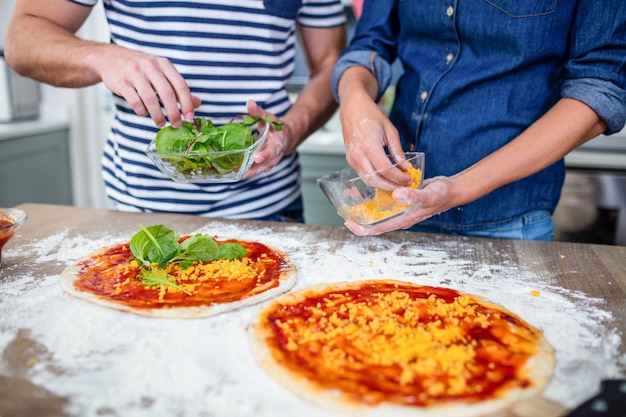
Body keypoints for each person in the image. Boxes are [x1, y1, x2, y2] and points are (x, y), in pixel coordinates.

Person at [5, 0, 347, 222]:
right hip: (141, 212)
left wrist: (289, 130)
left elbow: (330, 62)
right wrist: (102, 57)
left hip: (269, 208)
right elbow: (23, 40)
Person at [331, 1, 626, 239]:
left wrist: (458, 189)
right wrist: (355, 101)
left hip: (507, 225)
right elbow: (369, 45)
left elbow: (599, 88)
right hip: (393, 210)